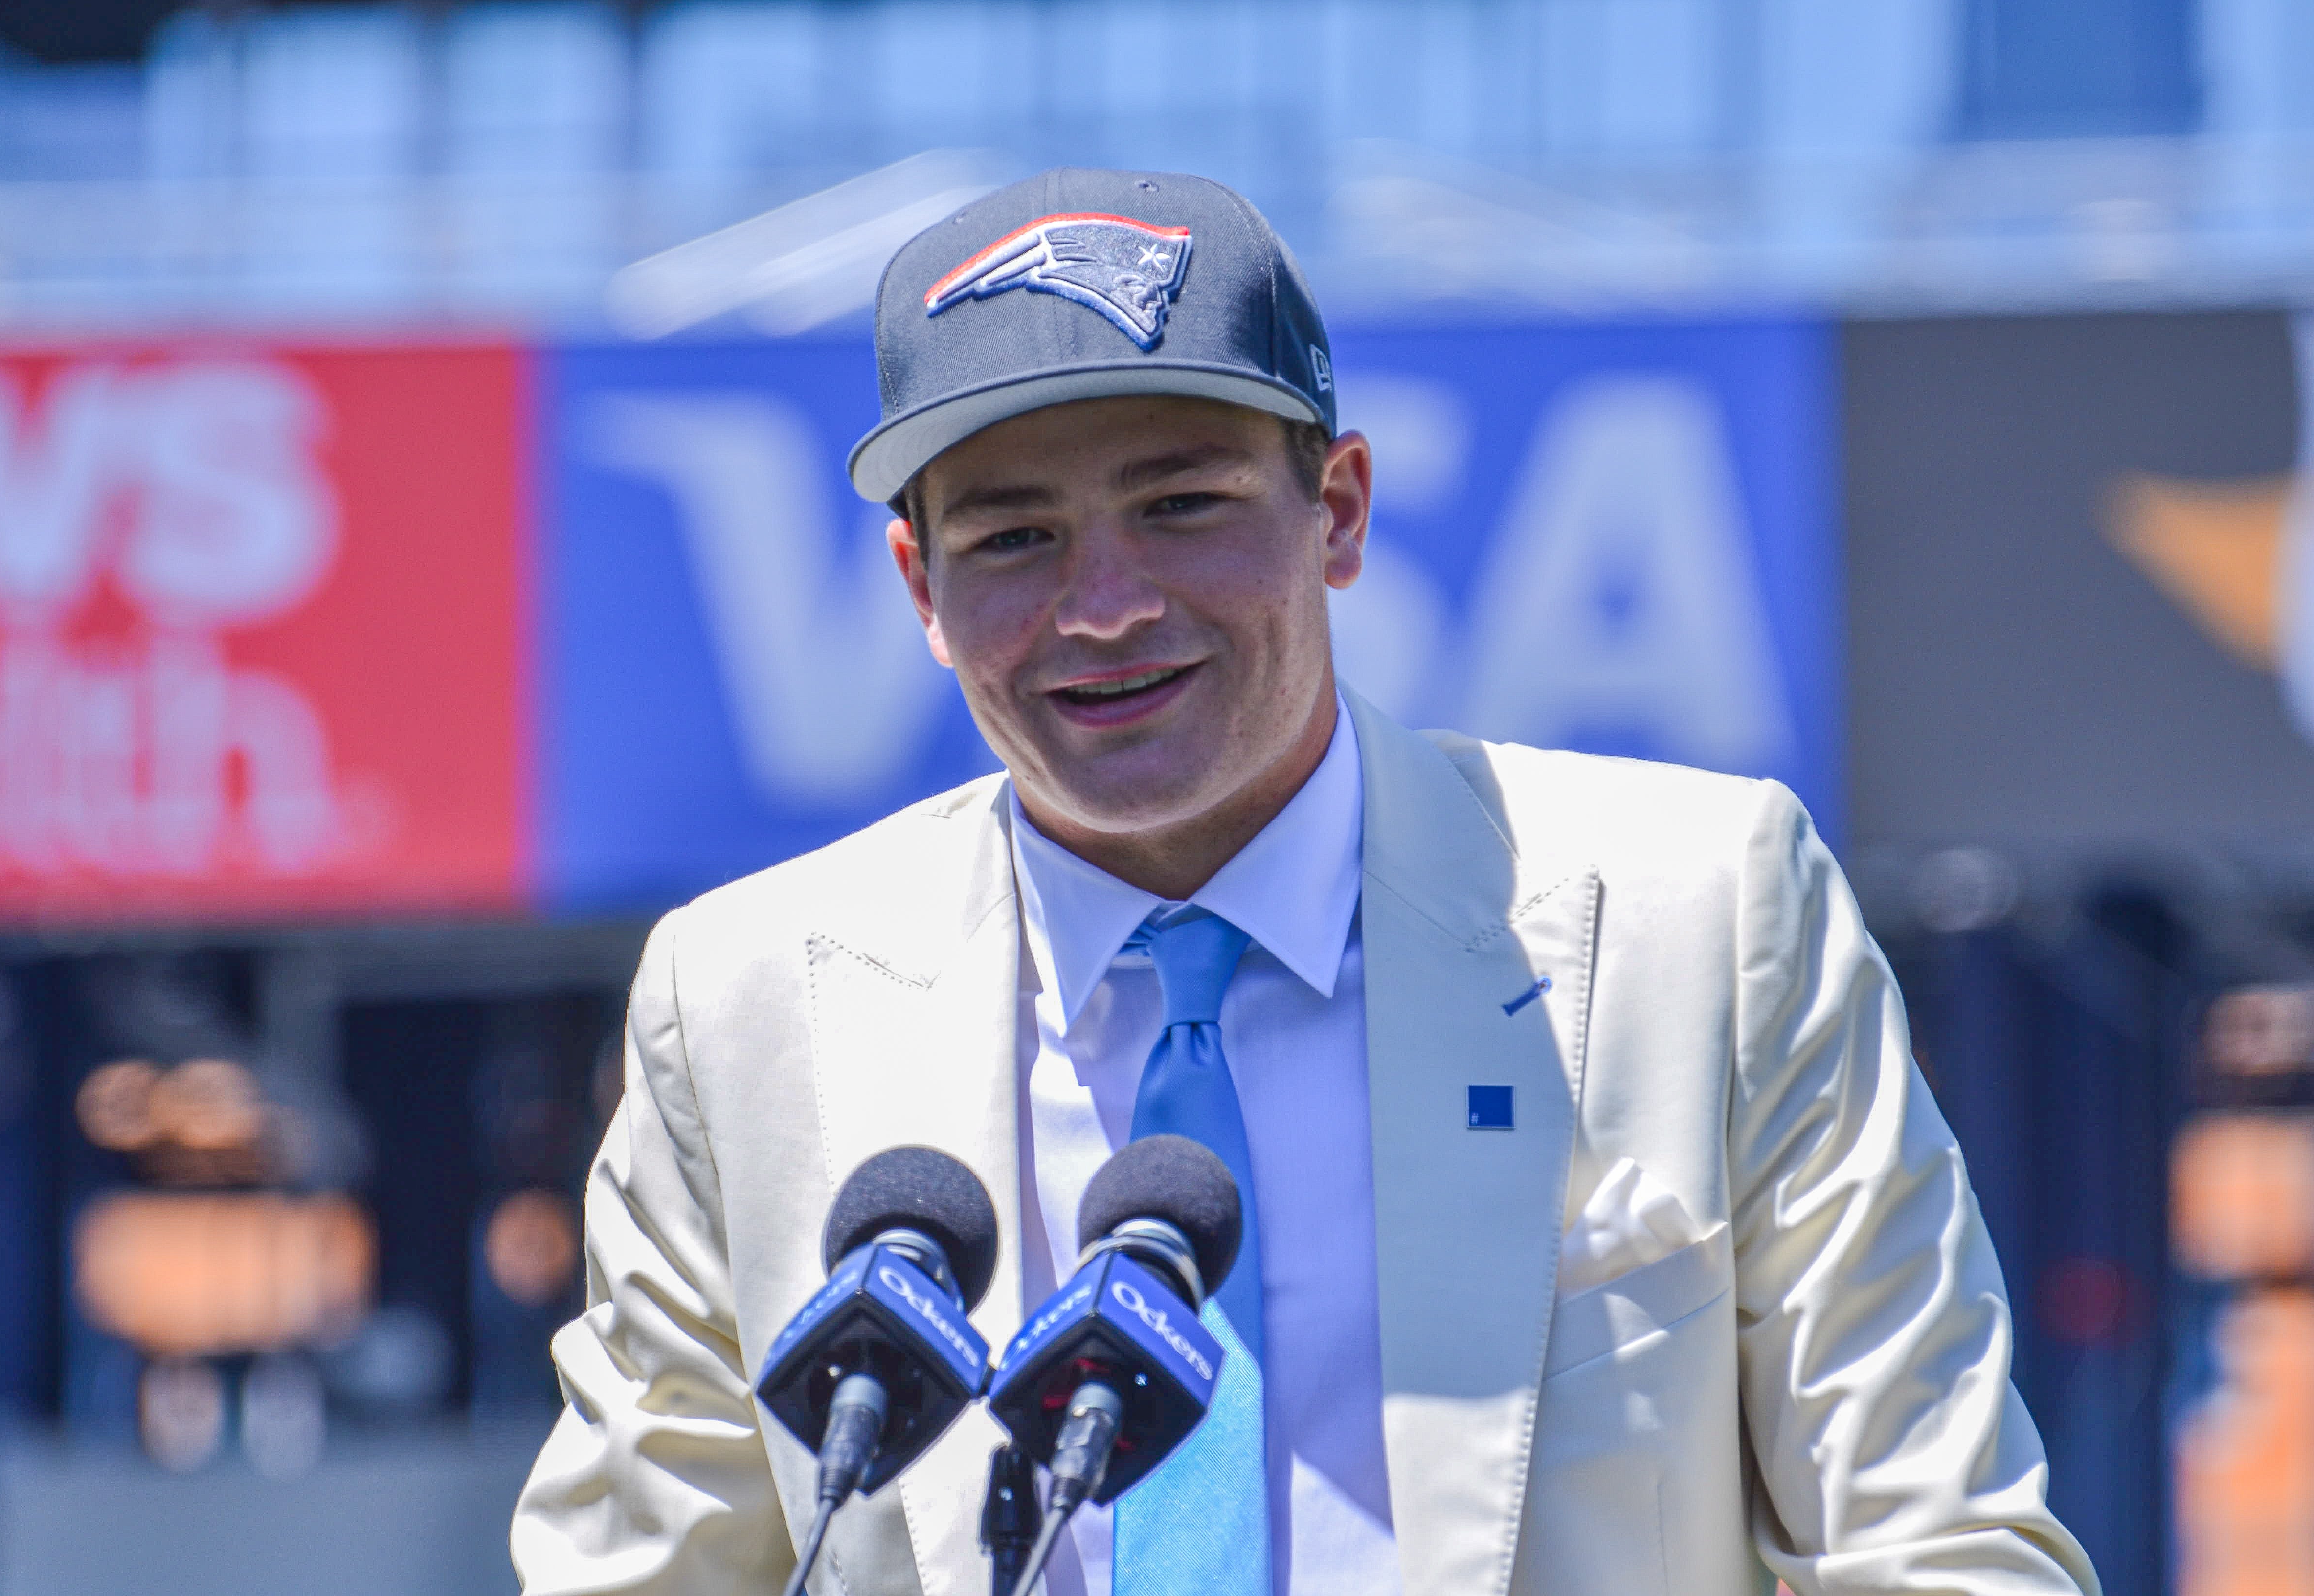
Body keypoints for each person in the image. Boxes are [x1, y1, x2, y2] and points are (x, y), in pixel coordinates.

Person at [510, 169, 2100, 1596]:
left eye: (1182, 505)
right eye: (1014, 539)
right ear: (922, 589)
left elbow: (1944, 1549)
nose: (1106, 606)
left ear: (1336, 511)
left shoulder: (1703, 917)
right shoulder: (743, 1007)